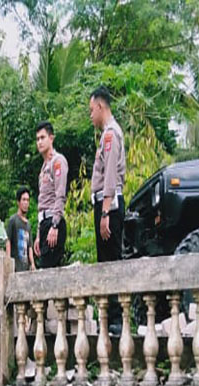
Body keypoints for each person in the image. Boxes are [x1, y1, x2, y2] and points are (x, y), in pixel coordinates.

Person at [89, 86, 126, 329]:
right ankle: (110, 319)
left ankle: (115, 321)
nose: (91, 115)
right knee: (105, 262)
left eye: (92, 110)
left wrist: (104, 212)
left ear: (101, 107)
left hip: (109, 206)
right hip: (105, 204)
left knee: (111, 263)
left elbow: (110, 176)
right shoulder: (107, 134)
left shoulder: (111, 134)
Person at [33, 121, 68, 269]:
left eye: (43, 137)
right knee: (47, 271)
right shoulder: (43, 168)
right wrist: (38, 234)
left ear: (51, 138)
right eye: (37, 139)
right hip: (44, 224)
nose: (39, 142)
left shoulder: (57, 161)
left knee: (47, 272)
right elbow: (42, 202)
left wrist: (55, 225)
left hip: (53, 222)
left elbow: (60, 195)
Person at [6, 187, 35, 272]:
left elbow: (30, 246)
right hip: (15, 268)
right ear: (18, 202)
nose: (26, 203)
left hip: (26, 268)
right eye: (24, 200)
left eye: (27, 200)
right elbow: (8, 241)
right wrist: (8, 262)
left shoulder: (28, 224)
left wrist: (32, 264)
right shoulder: (13, 220)